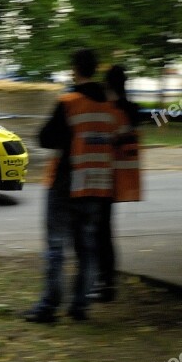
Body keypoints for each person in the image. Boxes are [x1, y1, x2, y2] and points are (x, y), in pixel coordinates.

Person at [24, 48, 120, 323]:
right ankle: (79, 306)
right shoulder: (110, 106)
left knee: (56, 246)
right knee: (87, 247)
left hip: (67, 181)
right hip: (98, 185)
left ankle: (49, 307)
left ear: (75, 69)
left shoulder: (69, 102)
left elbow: (45, 138)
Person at [89, 65, 142, 303]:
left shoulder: (113, 111)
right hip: (117, 179)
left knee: (100, 233)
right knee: (105, 232)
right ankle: (105, 282)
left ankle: (104, 284)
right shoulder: (130, 110)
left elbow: (107, 139)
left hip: (104, 176)